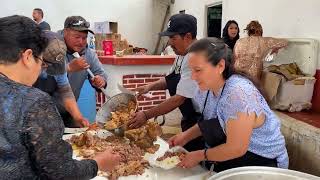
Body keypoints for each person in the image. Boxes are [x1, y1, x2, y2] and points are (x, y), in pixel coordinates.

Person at [0, 15, 120, 179]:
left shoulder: (87, 54)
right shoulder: (33, 103)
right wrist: (97, 163)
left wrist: (77, 116)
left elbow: (65, 88)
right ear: (28, 57)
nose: (42, 69)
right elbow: (61, 172)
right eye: (42, 63)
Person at [168, 38, 288, 172]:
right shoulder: (206, 88)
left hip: (262, 159)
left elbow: (236, 148)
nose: (193, 77)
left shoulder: (238, 93)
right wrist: (185, 136)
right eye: (191, 70)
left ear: (220, 66)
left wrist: (199, 156)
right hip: (236, 155)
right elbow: (215, 121)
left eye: (198, 70)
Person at [128, 14, 204, 152]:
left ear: (187, 37)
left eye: (173, 38)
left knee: (197, 163)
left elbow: (179, 98)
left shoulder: (196, 57)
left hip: (200, 121)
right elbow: (171, 78)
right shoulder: (181, 54)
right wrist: (149, 87)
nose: (170, 43)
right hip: (188, 118)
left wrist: (146, 115)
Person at [56, 16, 108, 127]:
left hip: (69, 111)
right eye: (77, 37)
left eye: (84, 38)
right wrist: (69, 67)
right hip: (44, 110)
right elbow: (42, 73)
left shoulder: (88, 54)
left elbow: (100, 73)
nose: (81, 42)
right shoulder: (52, 47)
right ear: (65, 32)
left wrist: (100, 80)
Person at [33, 31, 90, 127]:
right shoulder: (22, 67)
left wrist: (78, 117)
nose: (47, 68)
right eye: (44, 65)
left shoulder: (58, 60)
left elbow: (66, 92)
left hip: (52, 113)